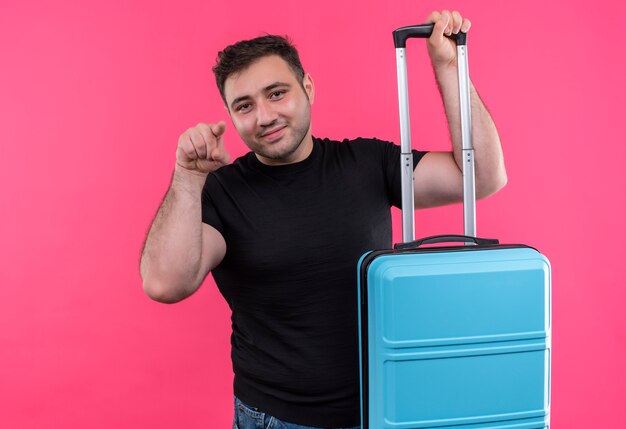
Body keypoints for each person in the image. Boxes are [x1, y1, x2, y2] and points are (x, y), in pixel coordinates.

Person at [140, 10, 507, 429]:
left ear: (308, 87)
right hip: (276, 418)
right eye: (245, 105)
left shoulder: (368, 162)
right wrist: (187, 178)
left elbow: (483, 176)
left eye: (277, 93)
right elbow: (165, 283)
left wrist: (448, 66)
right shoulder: (223, 191)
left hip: (383, 407)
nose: (264, 116)